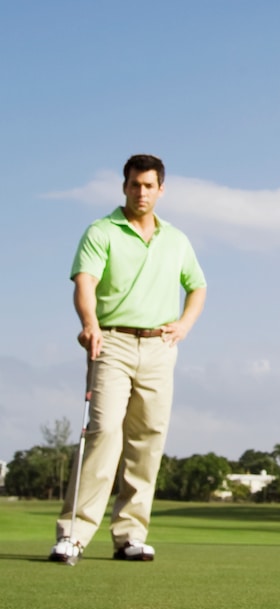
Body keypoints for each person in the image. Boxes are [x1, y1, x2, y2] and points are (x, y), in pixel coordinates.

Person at [49, 154, 207, 564]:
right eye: (135, 184)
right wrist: (89, 323)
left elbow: (197, 286)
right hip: (112, 342)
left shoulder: (176, 238)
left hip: (159, 347)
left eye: (149, 185)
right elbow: (85, 281)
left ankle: (130, 535)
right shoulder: (102, 231)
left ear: (161, 190)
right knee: (103, 432)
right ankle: (74, 534)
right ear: (124, 187)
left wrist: (184, 326)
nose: (141, 192)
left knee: (148, 439)